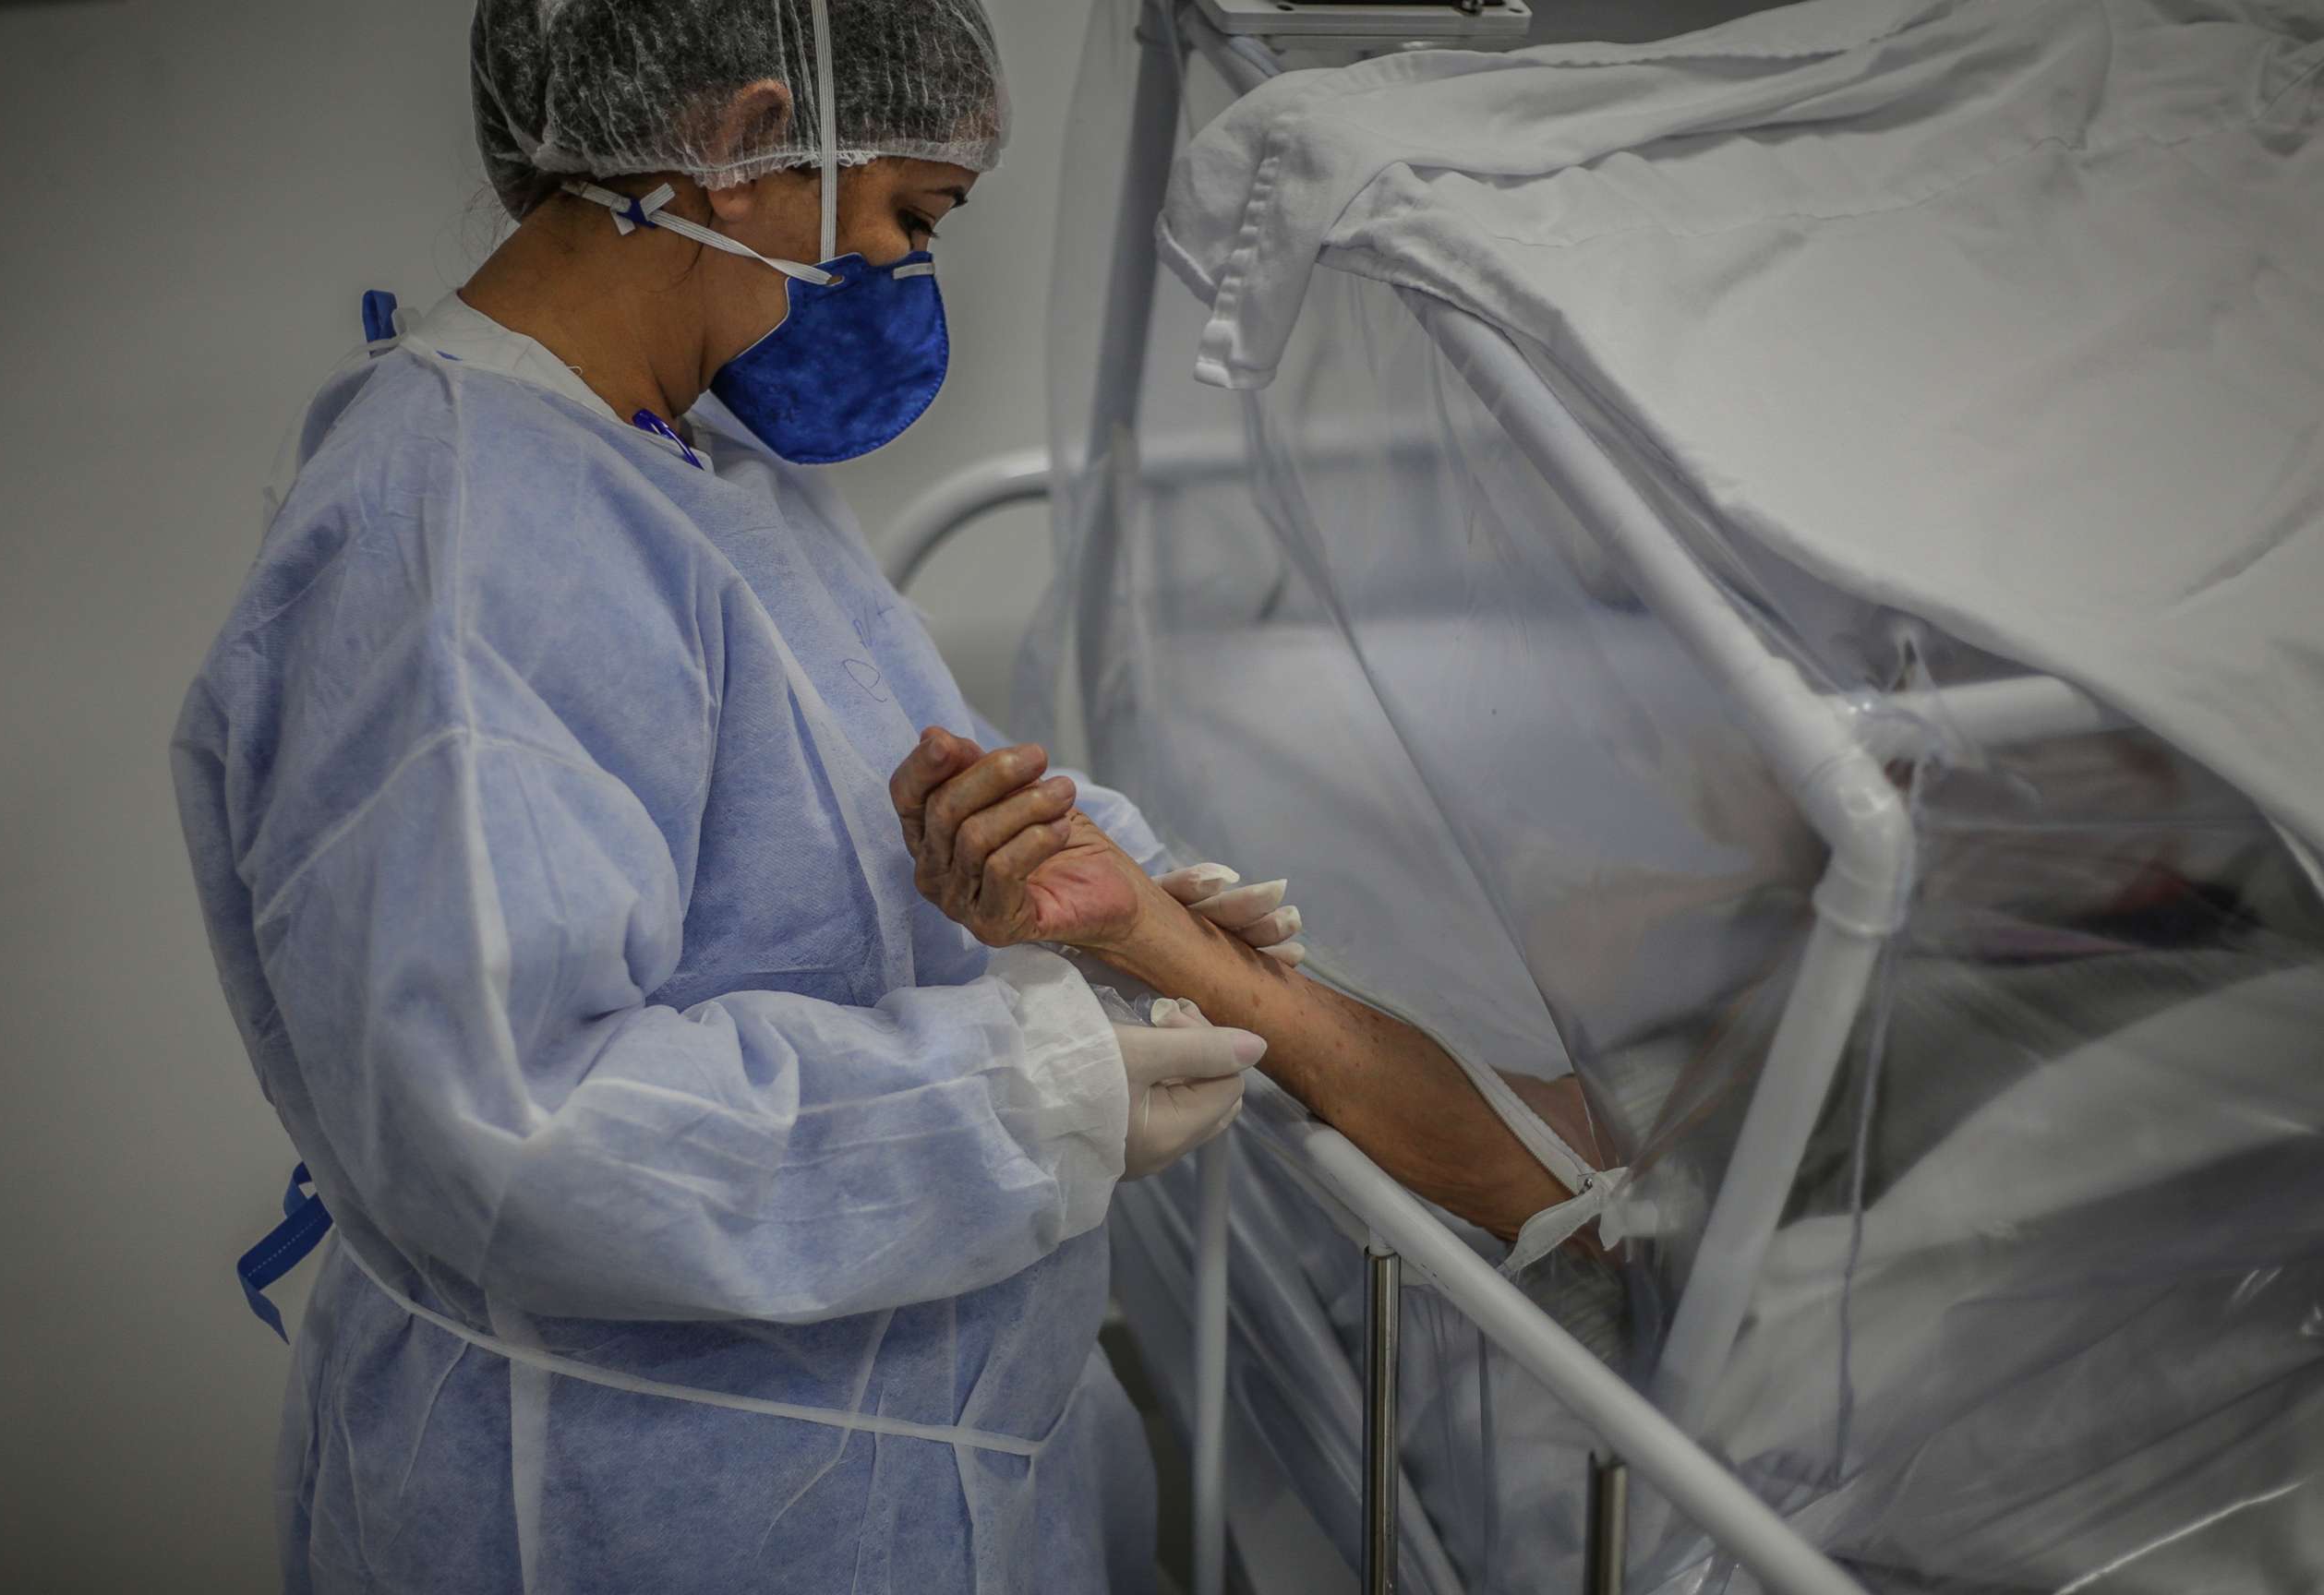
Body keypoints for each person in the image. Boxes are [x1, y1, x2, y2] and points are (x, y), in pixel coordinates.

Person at [172, 3, 1591, 1590]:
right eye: (915, 214)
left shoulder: (697, 471)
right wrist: (1026, 1094)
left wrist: (1089, 896)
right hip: (639, 1513)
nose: (913, 275)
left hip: (896, 1461)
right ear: (735, 144)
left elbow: (865, 807)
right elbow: (509, 1126)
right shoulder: (455, 534)